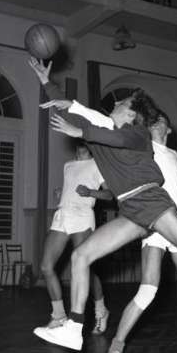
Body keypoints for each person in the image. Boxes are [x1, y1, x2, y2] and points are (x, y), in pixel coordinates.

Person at [28, 57, 177, 352]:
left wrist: (81, 131)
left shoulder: (138, 135)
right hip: (130, 210)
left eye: (122, 102)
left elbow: (108, 134)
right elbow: (73, 109)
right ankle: (73, 329)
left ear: (132, 114)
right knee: (81, 256)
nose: (116, 102)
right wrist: (46, 82)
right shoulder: (103, 126)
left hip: (152, 202)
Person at [105, 110, 177, 353]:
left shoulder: (174, 155)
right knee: (148, 289)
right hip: (153, 222)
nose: (156, 122)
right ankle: (115, 348)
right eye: (153, 120)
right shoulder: (141, 148)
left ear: (168, 130)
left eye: (161, 120)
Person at [38, 141, 113, 334]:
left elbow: (109, 195)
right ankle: (59, 316)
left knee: (83, 268)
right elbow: (70, 190)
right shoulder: (68, 165)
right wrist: (61, 194)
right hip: (63, 215)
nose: (82, 143)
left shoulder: (98, 164)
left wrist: (90, 192)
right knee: (46, 267)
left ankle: (101, 310)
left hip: (82, 216)